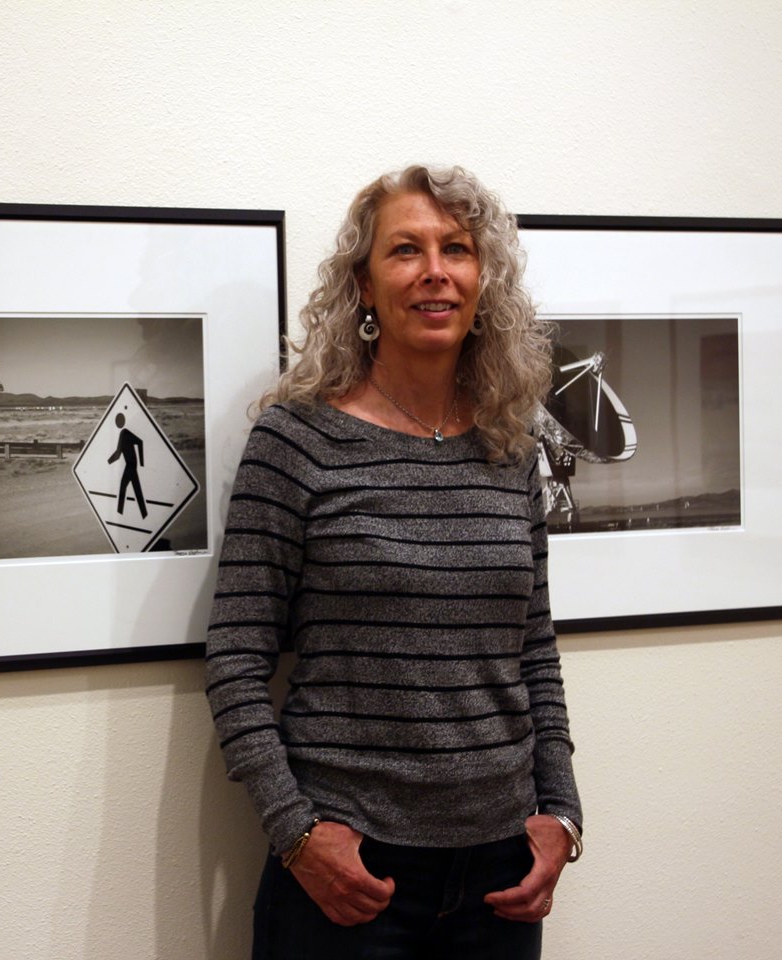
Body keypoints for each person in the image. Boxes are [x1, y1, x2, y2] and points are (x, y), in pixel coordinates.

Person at [205, 165, 582, 959]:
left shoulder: (510, 448)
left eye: (457, 249)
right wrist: (296, 834)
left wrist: (562, 814)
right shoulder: (297, 442)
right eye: (406, 250)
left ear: (483, 280)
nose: (435, 271)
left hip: (502, 878)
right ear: (365, 286)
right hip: (347, 879)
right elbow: (237, 658)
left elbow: (534, 650)